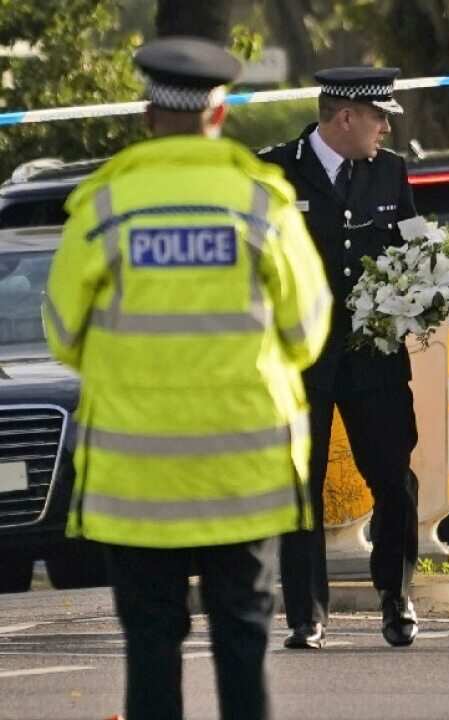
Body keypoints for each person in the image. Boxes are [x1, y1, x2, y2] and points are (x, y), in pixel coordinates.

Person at [42, 36, 330, 719]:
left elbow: (61, 333)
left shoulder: (105, 207)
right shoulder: (262, 204)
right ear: (220, 113)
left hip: (135, 482)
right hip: (244, 475)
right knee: (242, 641)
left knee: (149, 646)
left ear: (147, 114)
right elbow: (307, 331)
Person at [260, 66, 422, 649]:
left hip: (373, 358)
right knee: (299, 485)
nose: (384, 127)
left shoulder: (390, 171)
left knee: (394, 479)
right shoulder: (275, 170)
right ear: (346, 116)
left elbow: (413, 248)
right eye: (378, 117)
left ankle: (396, 596)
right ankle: (307, 615)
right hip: (301, 362)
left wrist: (430, 289)